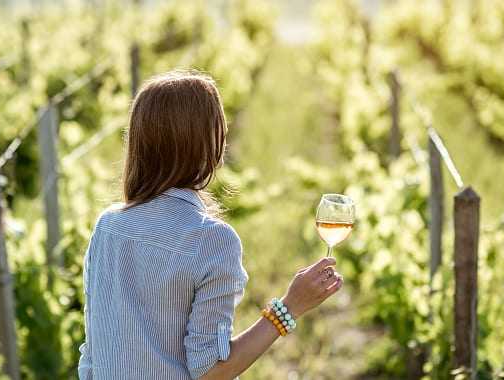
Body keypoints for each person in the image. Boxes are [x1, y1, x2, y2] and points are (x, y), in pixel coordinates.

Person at [78, 70, 344, 379]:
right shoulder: (212, 240)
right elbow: (210, 372)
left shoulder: (107, 227)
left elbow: (92, 355)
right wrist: (289, 308)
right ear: (208, 143)